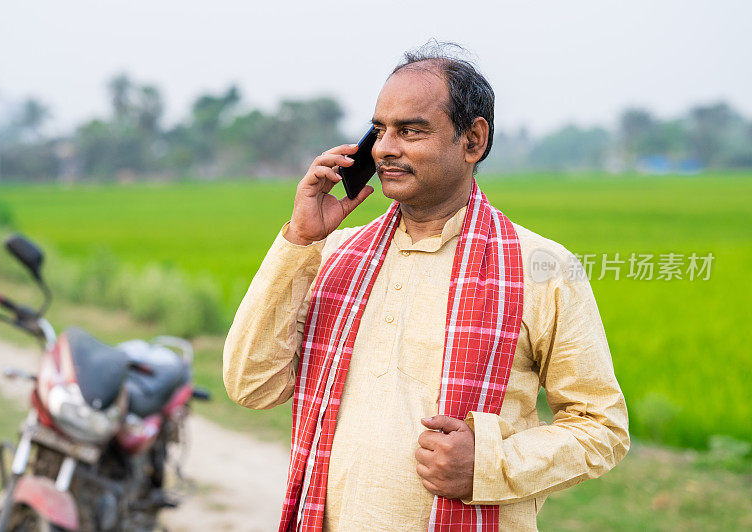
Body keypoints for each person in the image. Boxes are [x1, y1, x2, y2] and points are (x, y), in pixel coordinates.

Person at [223, 44, 630, 531]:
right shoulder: (332, 254)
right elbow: (251, 386)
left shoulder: (540, 266)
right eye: (379, 130)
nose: (384, 148)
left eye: (411, 130)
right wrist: (300, 239)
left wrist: (488, 463)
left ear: (473, 140)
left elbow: (602, 428)